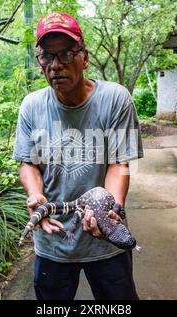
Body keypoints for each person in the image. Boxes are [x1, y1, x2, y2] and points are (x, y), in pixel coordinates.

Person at [12, 11, 143, 300]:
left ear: (84, 57)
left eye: (66, 54)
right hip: (53, 240)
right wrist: (35, 195)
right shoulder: (31, 106)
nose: (55, 65)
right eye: (47, 56)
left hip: (107, 242)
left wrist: (111, 213)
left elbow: (119, 164)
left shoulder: (116, 99)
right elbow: (27, 163)